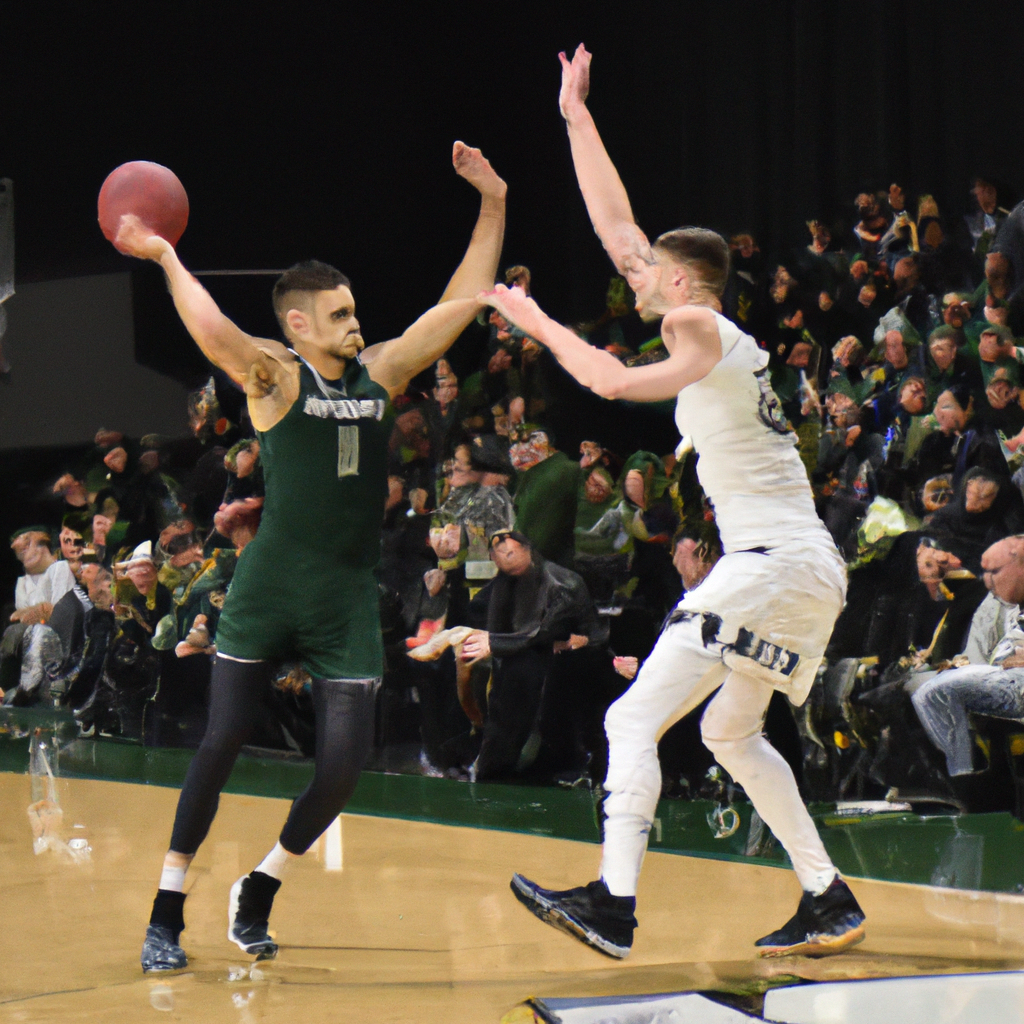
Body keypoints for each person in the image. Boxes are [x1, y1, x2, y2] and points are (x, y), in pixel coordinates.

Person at [486, 45, 863, 960]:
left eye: (647, 270)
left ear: (683, 282)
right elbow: (616, 222)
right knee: (732, 732)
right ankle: (829, 896)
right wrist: (577, 116)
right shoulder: (698, 314)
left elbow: (612, 385)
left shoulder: (696, 324)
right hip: (801, 570)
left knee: (629, 720)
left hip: (772, 566)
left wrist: (536, 324)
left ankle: (614, 905)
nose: (631, 270)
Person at [114, 142, 507, 973]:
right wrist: (166, 257)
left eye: (355, 310)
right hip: (268, 591)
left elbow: (464, 302)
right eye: (338, 314)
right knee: (220, 742)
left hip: (341, 598)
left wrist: (494, 203)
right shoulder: (275, 378)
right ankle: (166, 909)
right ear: (298, 324)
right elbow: (215, 332)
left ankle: (260, 885)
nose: (356, 323)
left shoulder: (379, 375)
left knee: (340, 769)